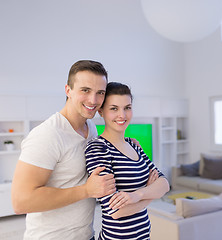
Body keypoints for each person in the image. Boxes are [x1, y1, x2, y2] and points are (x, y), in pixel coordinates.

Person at [11, 60, 117, 240]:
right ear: (68, 90)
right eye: (85, 90)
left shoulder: (90, 128)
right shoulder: (47, 134)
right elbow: (20, 201)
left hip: (85, 235)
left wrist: (128, 143)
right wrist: (86, 190)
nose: (94, 100)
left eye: (100, 93)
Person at [85, 82, 170, 240]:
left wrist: (138, 195)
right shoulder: (98, 148)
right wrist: (151, 194)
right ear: (101, 112)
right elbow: (116, 212)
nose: (122, 115)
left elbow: (164, 183)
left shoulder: (134, 145)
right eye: (114, 108)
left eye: (127, 107)